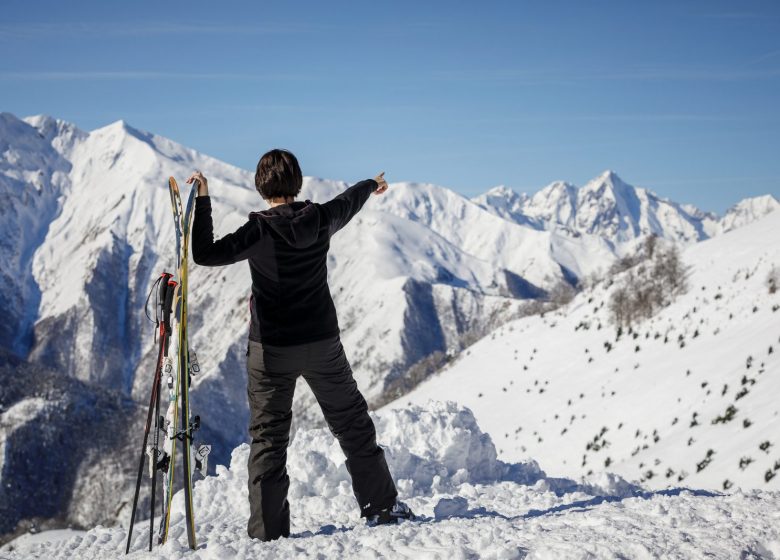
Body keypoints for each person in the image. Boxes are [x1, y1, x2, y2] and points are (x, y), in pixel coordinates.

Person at [187, 149, 414, 542]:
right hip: (322, 344)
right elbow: (349, 202)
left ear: (261, 187)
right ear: (298, 183)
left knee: (269, 438)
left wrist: (203, 198)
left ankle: (268, 533)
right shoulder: (320, 218)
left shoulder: (257, 231)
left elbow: (204, 255)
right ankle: (381, 506)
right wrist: (371, 184)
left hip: (271, 349)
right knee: (352, 424)